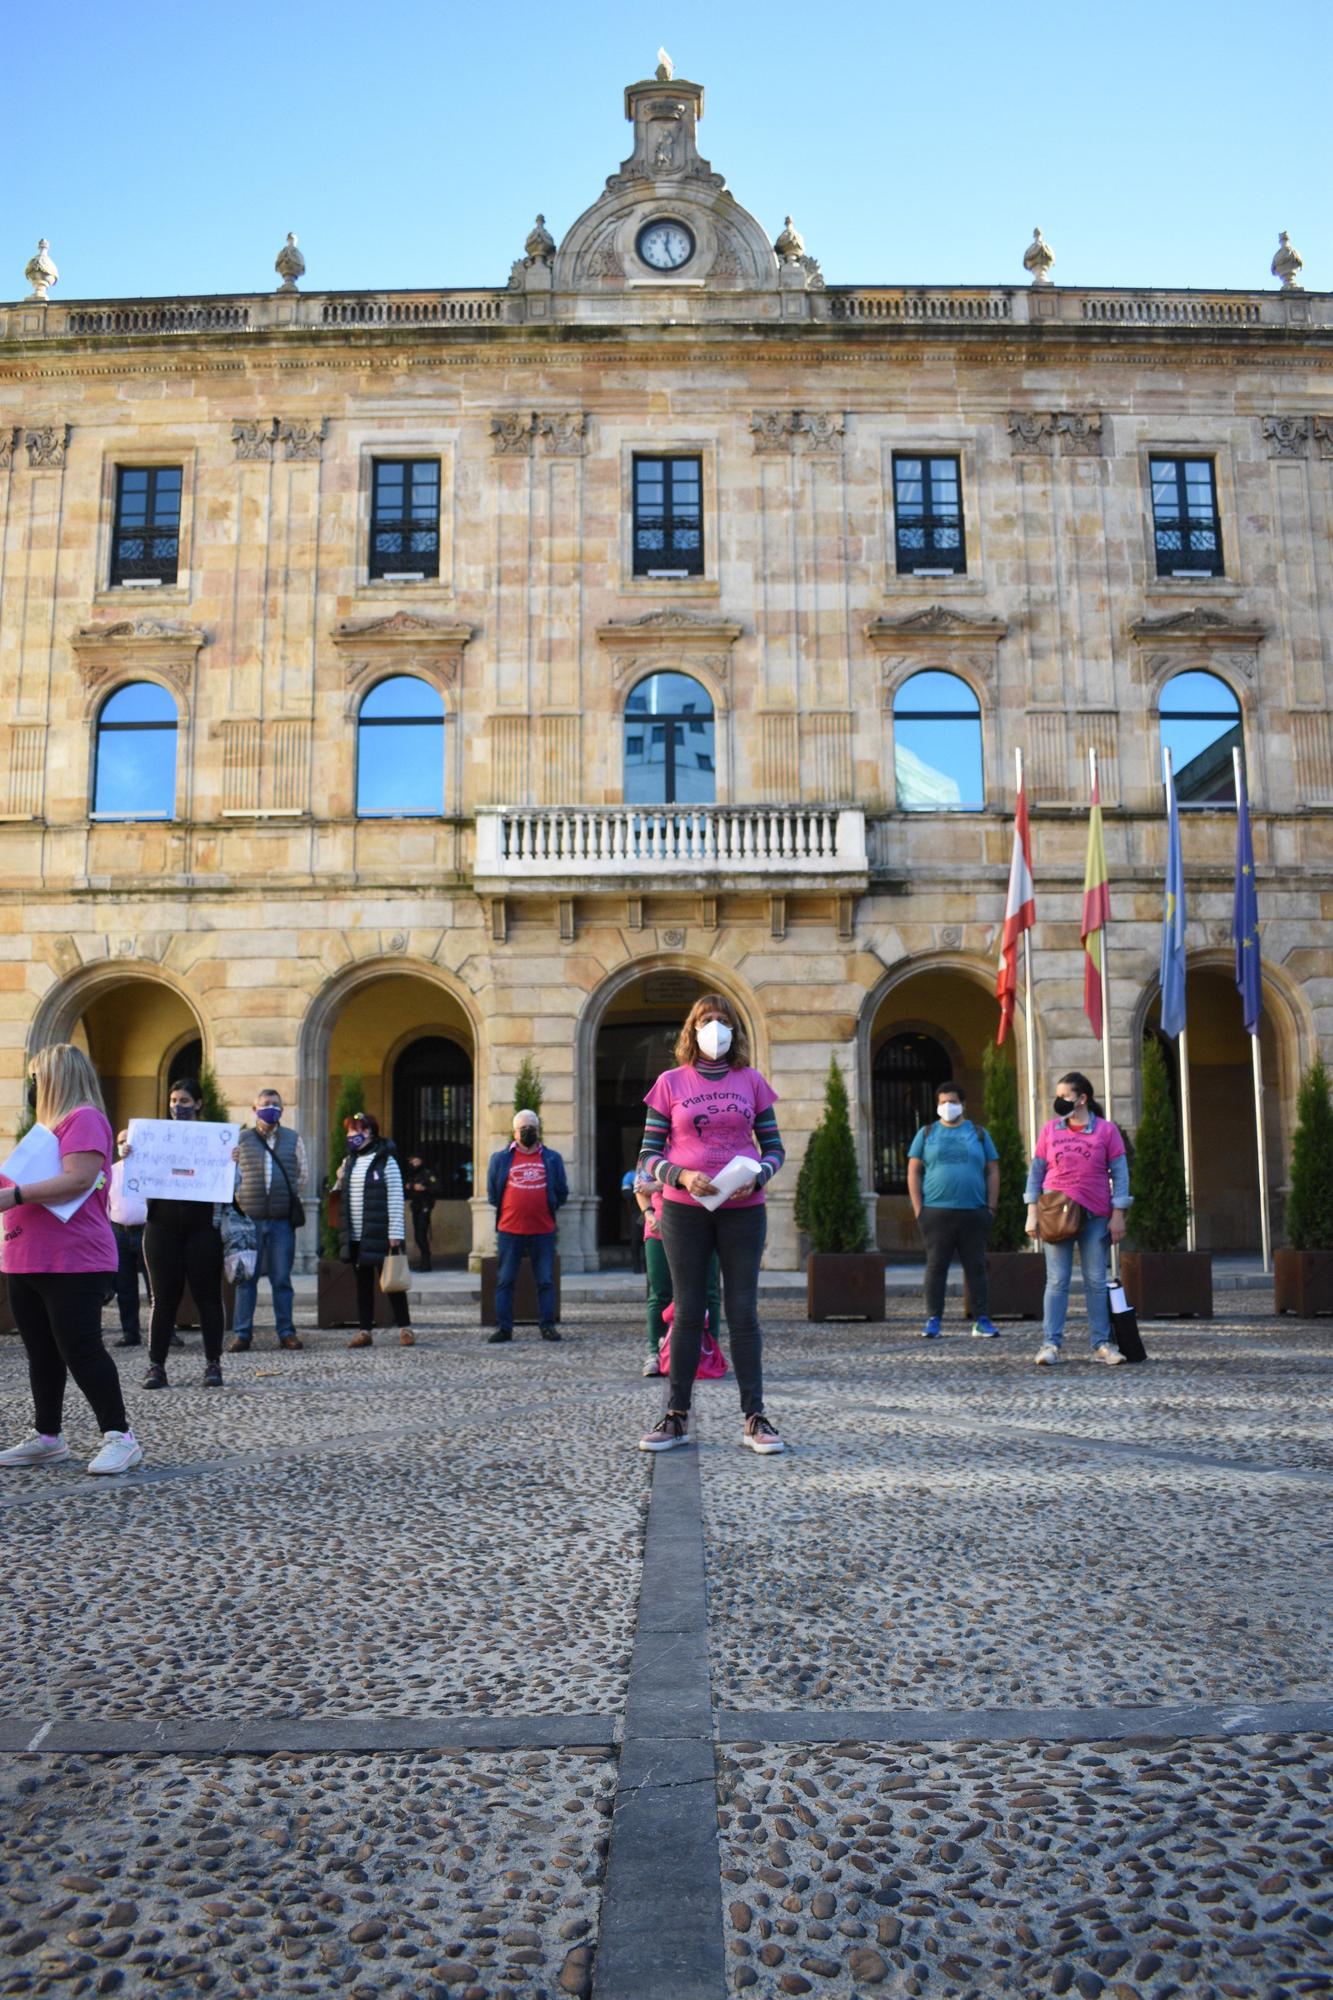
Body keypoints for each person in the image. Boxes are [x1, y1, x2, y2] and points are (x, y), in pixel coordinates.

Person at [636, 993, 786, 1455]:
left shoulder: (752, 1081)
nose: (715, 1028)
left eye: (723, 1020)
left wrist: (760, 1173)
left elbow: (775, 1148)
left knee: (743, 1312)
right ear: (692, 1029)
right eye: (706, 1020)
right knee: (687, 1309)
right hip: (684, 1209)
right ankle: (676, 1416)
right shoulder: (669, 1082)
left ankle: (755, 1418)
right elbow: (648, 1156)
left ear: (734, 1030)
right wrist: (679, 1174)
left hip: (743, 1208)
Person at [0, 1044, 143, 1474]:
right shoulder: (45, 1129)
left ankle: (120, 1436)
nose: (32, 1086)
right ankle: (47, 1437)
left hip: (73, 1259)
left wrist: (15, 1194)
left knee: (81, 1349)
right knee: (41, 1352)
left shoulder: (84, 1118)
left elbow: (79, 1178)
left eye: (36, 1078)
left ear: (57, 1077)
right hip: (27, 1256)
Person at [1024, 1070, 1131, 1366]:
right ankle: (1050, 1344)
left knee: (1096, 1280)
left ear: (1082, 1098)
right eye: (1057, 1096)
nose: (1059, 1101)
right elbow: (1036, 1173)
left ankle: (1101, 1344)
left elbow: (1120, 1174)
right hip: (1055, 1212)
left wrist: (1118, 1213)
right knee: (1057, 1281)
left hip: (1096, 1214)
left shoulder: (1106, 1131)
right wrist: (1032, 1212)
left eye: (1064, 1096)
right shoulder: (1049, 1131)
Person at [131, 1077, 227, 1390]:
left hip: (201, 1228)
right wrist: (130, 1154)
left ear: (198, 1104)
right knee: (162, 1300)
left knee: (208, 1298)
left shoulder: (215, 1139)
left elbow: (230, 1189)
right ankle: (156, 1366)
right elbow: (137, 1176)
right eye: (173, 1101)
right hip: (162, 1226)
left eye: (184, 1101)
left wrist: (232, 1165)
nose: (177, 1107)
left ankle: (213, 1363)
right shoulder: (156, 1138)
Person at [907, 1081, 1001, 1341]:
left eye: (952, 1101)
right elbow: (914, 1170)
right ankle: (933, 1320)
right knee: (936, 1267)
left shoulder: (979, 1133)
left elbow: (993, 1169)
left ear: (963, 1104)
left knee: (977, 1267)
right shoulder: (926, 1133)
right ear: (937, 1105)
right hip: (936, 1213)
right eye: (943, 1102)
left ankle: (981, 1320)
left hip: (974, 1211)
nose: (948, 1106)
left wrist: (991, 1206)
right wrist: (919, 1209)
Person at [230, 1087, 307, 1353]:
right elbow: (232, 1176)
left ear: (282, 1110)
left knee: (282, 1279)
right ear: (254, 1109)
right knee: (246, 1279)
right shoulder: (241, 1140)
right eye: (264, 1104)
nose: (270, 1108)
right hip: (249, 1221)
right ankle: (242, 1334)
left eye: (275, 1104)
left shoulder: (293, 1139)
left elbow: (302, 1176)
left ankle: (286, 1332)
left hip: (281, 1222)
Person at [333, 1113, 415, 1349]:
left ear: (368, 1132)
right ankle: (364, 1330)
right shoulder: (349, 1161)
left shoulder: (385, 1160)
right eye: (349, 1131)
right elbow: (341, 1193)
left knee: (393, 1281)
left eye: (355, 1131)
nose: (351, 1136)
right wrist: (339, 1178)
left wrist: (395, 1232)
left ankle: (405, 1328)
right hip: (356, 1234)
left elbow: (396, 1196)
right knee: (363, 1284)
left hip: (381, 1232)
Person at [486, 1110, 568, 1343]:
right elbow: (494, 1195)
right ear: (514, 1132)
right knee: (505, 1280)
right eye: (524, 1127)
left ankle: (547, 1326)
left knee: (545, 1281)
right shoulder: (500, 1159)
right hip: (509, 1231)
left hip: (543, 1230)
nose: (528, 1131)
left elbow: (561, 1192)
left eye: (532, 1126)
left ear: (539, 1129)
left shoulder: (552, 1158)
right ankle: (504, 1328)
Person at [637, 1175, 721, 1379]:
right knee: (660, 1293)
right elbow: (640, 1189)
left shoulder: (709, 1146)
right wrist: (649, 1216)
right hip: (659, 1226)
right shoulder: (654, 1146)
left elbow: (710, 1182)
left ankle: (710, 1351)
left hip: (704, 1226)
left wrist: (658, 1184)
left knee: (709, 1291)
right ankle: (654, 1353)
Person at [106, 1139, 149, 1348]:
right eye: (121, 1141)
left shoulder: (149, 1170)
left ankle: (166, 1333)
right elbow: (100, 1194)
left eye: (130, 1141)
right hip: (119, 1232)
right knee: (125, 1287)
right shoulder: (111, 1172)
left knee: (155, 1286)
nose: (126, 1145)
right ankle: (130, 1332)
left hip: (146, 1230)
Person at [404, 1153, 439, 1272]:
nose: (412, 1162)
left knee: (421, 1235)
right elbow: (408, 1186)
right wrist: (414, 1186)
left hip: (425, 1207)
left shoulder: (427, 1173)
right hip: (416, 1207)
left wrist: (424, 1188)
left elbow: (436, 1188)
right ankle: (424, 1263)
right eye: (411, 1160)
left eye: (414, 1160)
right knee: (417, 1236)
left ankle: (426, 1263)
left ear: (420, 1160)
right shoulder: (412, 1174)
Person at [621, 1167, 646, 1275]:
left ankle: (647, 1267)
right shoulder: (630, 1175)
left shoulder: (651, 1174)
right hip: (637, 1213)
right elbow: (625, 1194)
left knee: (649, 1240)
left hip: (651, 1211)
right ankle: (636, 1267)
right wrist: (640, 1189)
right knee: (635, 1239)